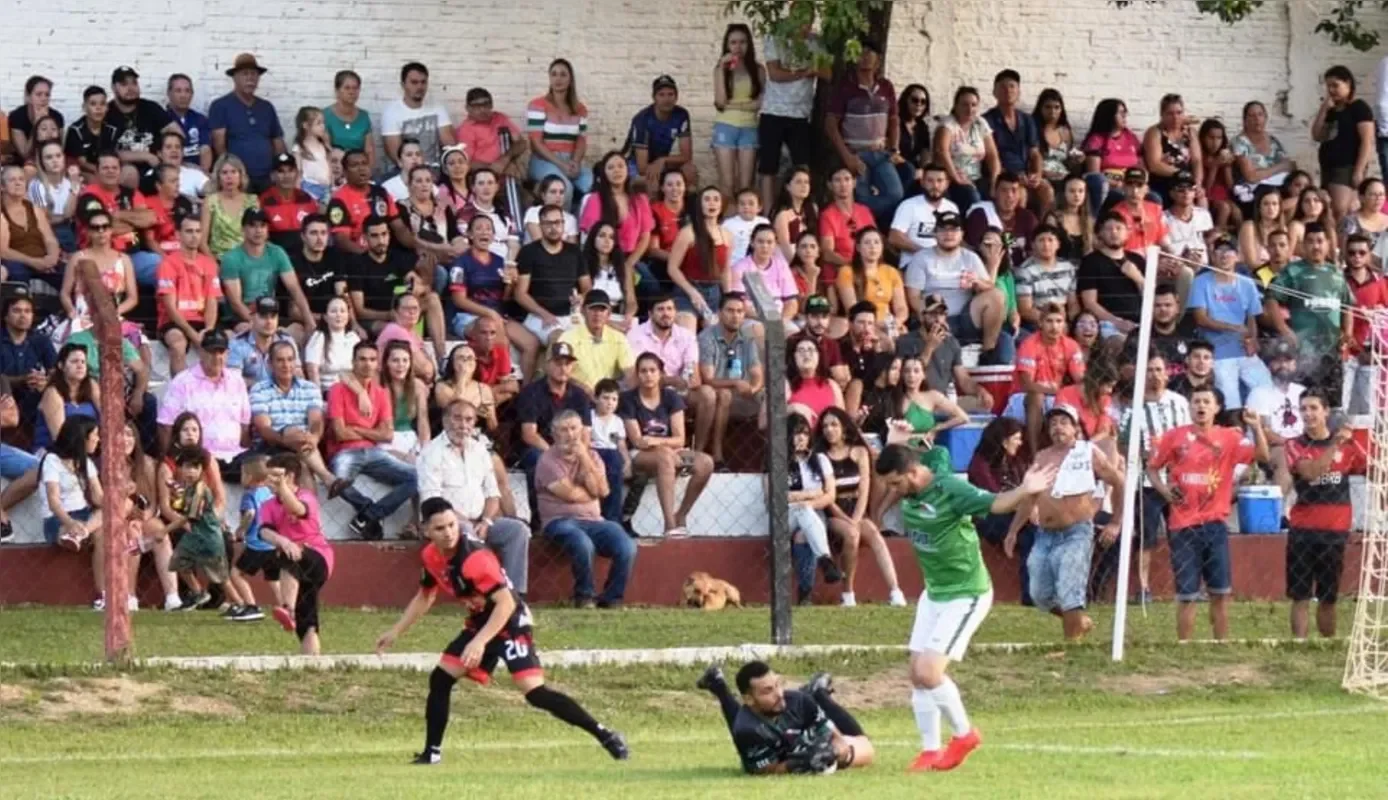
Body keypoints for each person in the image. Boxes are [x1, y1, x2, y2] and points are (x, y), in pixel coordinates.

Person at [375, 496, 628, 765]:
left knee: (535, 693)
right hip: (481, 622)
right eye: (440, 528)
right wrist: (396, 631)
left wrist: (480, 642)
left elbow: (506, 603)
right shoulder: (431, 557)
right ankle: (431, 753)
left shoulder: (475, 558)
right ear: (425, 530)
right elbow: (425, 596)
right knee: (441, 679)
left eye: (452, 525)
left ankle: (605, 735)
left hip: (510, 622)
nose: (449, 533)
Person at [874, 443, 1057, 772]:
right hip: (935, 593)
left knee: (930, 672)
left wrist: (1025, 490)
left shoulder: (951, 489)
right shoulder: (913, 480)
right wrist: (892, 438)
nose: (892, 491)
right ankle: (930, 750)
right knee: (916, 675)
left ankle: (964, 735)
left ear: (913, 474)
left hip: (966, 593)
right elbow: (913, 454)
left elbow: (995, 503)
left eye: (895, 484)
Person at [1147, 386, 1269, 641]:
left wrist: (1256, 427)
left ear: (1216, 408)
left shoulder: (1229, 438)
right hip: (1182, 526)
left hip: (1214, 524)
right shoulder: (1174, 437)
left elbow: (1262, 455)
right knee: (1186, 594)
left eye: (1206, 402)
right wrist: (1164, 492)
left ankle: (1221, 643)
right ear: (1189, 407)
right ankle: (1184, 645)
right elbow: (1152, 468)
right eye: (1196, 402)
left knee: (1220, 592)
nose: (1200, 406)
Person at [1012, 406, 1124, 640]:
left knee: (1070, 591)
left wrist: (1115, 521)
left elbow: (1119, 482)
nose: (1058, 427)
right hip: (1045, 533)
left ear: (1075, 428)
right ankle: (1078, 623)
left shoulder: (1088, 452)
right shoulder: (1042, 456)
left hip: (1076, 531)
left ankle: (1072, 645)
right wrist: (1013, 530)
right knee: (1039, 594)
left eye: (1064, 422)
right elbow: (1029, 496)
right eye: (1053, 423)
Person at [417, 399, 531, 591]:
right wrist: (468, 524)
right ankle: (480, 594)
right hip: (449, 523)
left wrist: (486, 522)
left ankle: (514, 594)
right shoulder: (430, 453)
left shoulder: (480, 450)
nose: (463, 425)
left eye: (469, 420)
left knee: (517, 530)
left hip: (482, 521)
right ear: (445, 421)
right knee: (466, 532)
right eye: (457, 418)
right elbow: (433, 501)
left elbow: (493, 494)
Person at [534, 410, 638, 608]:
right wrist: (592, 493)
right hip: (559, 522)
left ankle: (612, 599)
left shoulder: (593, 457)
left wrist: (585, 459)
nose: (570, 435)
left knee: (627, 545)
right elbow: (571, 495)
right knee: (582, 542)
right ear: (554, 434)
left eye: (574, 428)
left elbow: (604, 490)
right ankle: (585, 596)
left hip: (594, 520)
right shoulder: (547, 460)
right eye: (564, 430)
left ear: (582, 431)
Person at [696, 661, 874, 775]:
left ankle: (818, 693)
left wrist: (834, 753)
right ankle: (718, 684)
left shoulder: (797, 701)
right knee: (752, 722)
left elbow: (837, 738)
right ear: (748, 699)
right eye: (768, 691)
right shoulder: (746, 730)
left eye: (778, 685)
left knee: (866, 749)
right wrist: (801, 763)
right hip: (775, 743)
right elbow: (766, 770)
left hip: (802, 734)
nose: (779, 694)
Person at [1284, 389, 1365, 639]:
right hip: (1303, 531)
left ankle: (1327, 646)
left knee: (1329, 596)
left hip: (1335, 531)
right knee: (1300, 596)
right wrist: (1335, 445)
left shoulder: (1348, 447)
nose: (1308, 414)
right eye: (1303, 409)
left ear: (1326, 412)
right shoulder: (1294, 445)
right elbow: (1310, 473)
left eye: (1313, 408)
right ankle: (1300, 646)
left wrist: (1358, 442)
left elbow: (1372, 468)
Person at [1115, 352, 1190, 604]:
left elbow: (1191, 434)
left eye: (1158, 370)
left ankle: (1186, 586)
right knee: (1145, 536)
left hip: (1178, 479)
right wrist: (1145, 453)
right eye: (1149, 370)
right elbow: (1122, 446)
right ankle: (1143, 588)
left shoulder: (1179, 403)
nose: (1154, 375)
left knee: (1180, 534)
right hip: (1144, 482)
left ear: (1167, 374)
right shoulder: (1132, 409)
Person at [326, 341, 418, 540]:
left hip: (374, 452)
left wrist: (358, 429)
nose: (367, 364)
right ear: (353, 362)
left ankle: (370, 514)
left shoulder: (381, 393)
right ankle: (368, 509)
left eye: (372, 359)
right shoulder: (337, 390)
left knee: (417, 477)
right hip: (345, 452)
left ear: (378, 364)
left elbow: (387, 435)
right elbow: (340, 433)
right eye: (362, 359)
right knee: (339, 482)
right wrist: (371, 430)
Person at [817, 407, 904, 607]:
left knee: (874, 533)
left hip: (856, 508)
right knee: (852, 534)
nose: (829, 430)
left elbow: (864, 488)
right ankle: (848, 594)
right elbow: (828, 497)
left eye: (834, 425)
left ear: (844, 428)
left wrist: (856, 518)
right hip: (833, 512)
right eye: (825, 426)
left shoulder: (859, 452)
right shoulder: (821, 456)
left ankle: (895, 590)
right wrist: (849, 522)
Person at [620, 352, 713, 537]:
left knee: (705, 463)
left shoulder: (671, 397)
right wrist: (666, 448)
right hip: (638, 454)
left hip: (670, 451)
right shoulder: (628, 399)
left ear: (661, 374)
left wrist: (658, 442)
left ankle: (681, 515)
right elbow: (638, 440)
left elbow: (680, 438)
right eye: (643, 371)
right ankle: (669, 526)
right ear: (637, 375)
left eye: (653, 370)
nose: (648, 375)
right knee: (664, 458)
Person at [1264, 223, 1354, 406]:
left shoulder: (1336, 273)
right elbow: (1271, 298)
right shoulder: (1293, 271)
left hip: (1332, 351)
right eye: (1311, 242)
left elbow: (1348, 306)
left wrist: (1348, 331)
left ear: (1328, 244)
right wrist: (1283, 329)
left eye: (1320, 241)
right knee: (1303, 402)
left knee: (1333, 404)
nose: (1316, 246)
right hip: (1303, 352)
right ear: (1303, 245)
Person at [903, 210, 1010, 363]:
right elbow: (914, 298)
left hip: (966, 317)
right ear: (935, 233)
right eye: (943, 229)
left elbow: (989, 287)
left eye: (954, 229)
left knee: (997, 295)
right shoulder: (921, 258)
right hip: (934, 318)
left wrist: (978, 281)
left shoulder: (970, 257)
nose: (949, 234)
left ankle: (988, 353)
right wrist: (934, 318)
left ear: (962, 234)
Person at [258, 452, 334, 654]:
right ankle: (311, 657)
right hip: (294, 557)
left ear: (289, 477)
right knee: (307, 615)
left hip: (318, 557)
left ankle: (287, 609)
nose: (268, 481)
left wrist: (283, 489)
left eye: (274, 477)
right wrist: (281, 539)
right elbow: (264, 530)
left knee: (289, 554)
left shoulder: (306, 496)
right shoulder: (267, 505)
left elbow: (298, 509)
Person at [40, 417, 120, 608]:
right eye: (94, 436)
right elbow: (53, 501)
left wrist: (118, 497)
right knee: (71, 531)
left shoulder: (87, 463)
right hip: (58, 518)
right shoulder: (52, 460)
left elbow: (99, 498)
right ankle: (74, 534)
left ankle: (103, 595)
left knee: (103, 528)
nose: (98, 440)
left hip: (84, 515)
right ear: (81, 438)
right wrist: (69, 522)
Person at [824, 39, 900, 227]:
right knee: (862, 196)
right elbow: (830, 124)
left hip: (881, 153)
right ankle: (868, 230)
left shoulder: (886, 86)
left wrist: (895, 148)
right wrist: (847, 157)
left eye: (869, 52)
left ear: (878, 59)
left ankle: (867, 222)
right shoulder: (845, 87)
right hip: (857, 153)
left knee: (895, 194)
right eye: (860, 52)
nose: (865, 57)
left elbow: (894, 119)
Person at [1188, 239, 1270, 409]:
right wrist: (1233, 327)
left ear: (1237, 256)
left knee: (1265, 387)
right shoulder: (1201, 282)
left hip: (1243, 349)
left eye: (1229, 251)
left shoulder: (1247, 284)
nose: (1224, 255)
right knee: (1230, 399)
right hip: (1217, 352)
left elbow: (1252, 316)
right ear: (1212, 256)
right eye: (1219, 251)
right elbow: (1200, 318)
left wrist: (1252, 339)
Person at [690, 293, 764, 468]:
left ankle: (771, 459)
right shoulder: (706, 337)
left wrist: (753, 389)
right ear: (720, 313)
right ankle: (714, 454)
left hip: (740, 393)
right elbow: (707, 379)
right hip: (712, 391)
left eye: (740, 311)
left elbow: (757, 374)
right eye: (730, 310)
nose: (735, 315)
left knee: (769, 396)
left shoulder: (747, 339)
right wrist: (735, 384)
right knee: (723, 395)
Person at [966, 417, 1035, 605]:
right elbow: (994, 499)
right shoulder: (980, 465)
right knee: (1030, 535)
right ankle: (1030, 594)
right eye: (1017, 438)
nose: (1020, 443)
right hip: (989, 518)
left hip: (1014, 514)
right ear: (1004, 441)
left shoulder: (1015, 462)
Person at [167, 445, 242, 612]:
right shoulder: (189, 488)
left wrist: (163, 531)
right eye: (187, 466)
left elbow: (189, 516)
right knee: (178, 562)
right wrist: (175, 494)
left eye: (195, 467)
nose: (190, 471)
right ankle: (198, 592)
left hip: (209, 538)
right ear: (180, 468)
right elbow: (181, 505)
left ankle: (241, 604)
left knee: (220, 576)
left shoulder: (200, 490)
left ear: (202, 470)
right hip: (196, 536)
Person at [209, 54, 286, 192]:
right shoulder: (220, 106)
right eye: (245, 74)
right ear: (234, 77)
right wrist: (231, 175)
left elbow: (277, 141)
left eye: (254, 74)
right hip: (239, 180)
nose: (250, 78)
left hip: (267, 178)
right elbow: (219, 146)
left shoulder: (267, 107)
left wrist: (281, 168)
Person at [156, 214, 222, 375]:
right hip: (173, 322)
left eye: (198, 231)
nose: (194, 236)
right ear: (178, 234)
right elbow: (170, 307)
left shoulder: (209, 263)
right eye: (189, 231)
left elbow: (212, 301)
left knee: (224, 341)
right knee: (178, 342)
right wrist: (192, 334)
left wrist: (208, 330)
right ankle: (179, 394)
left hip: (201, 321)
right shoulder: (168, 263)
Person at [1312, 65, 1376, 219]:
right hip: (1328, 166)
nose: (1331, 90)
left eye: (1335, 85)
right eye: (1329, 86)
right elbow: (1317, 135)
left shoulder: (1359, 108)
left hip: (1347, 166)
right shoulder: (1332, 110)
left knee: (1340, 209)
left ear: (1348, 83)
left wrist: (1359, 170)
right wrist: (1323, 110)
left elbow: (1367, 141)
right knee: (1330, 210)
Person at [527, 59, 593, 202]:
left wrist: (575, 161)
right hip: (544, 160)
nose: (558, 79)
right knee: (564, 189)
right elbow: (536, 143)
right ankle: (561, 223)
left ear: (570, 79)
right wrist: (561, 164)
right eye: (554, 74)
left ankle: (581, 222)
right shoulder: (537, 105)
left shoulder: (579, 109)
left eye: (563, 75)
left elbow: (581, 140)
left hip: (571, 160)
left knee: (591, 185)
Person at [666, 185, 732, 329]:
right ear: (700, 204)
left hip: (714, 292)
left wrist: (728, 298)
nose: (712, 203)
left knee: (714, 334)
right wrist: (692, 292)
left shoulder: (727, 234)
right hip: (688, 291)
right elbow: (672, 268)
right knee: (687, 330)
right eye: (707, 199)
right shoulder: (687, 232)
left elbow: (726, 271)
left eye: (716, 199)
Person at [225, 453, 280, 622]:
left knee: (236, 574)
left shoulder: (250, 494)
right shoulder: (271, 493)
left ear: (249, 476)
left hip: (257, 544)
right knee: (273, 578)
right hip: (273, 544)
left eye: (242, 474)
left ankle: (251, 606)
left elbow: (250, 513)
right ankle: (288, 606)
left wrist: (240, 530)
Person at [984, 70, 1049, 211]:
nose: (1008, 90)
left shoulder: (1027, 119)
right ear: (994, 92)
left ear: (1018, 91)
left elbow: (1035, 153)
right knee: (1020, 195)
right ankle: (1017, 231)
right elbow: (991, 157)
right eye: (1002, 87)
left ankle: (1042, 230)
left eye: (1012, 86)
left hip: (1025, 174)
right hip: (1003, 174)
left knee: (1047, 190)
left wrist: (1037, 174)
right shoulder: (986, 120)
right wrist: (1012, 175)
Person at [711, 25, 764, 197]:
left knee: (746, 184)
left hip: (749, 127)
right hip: (725, 126)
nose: (738, 47)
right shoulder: (721, 69)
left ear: (749, 44)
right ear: (727, 45)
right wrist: (721, 68)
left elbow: (759, 103)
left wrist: (732, 105)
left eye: (742, 42)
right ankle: (726, 221)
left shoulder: (758, 70)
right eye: (733, 42)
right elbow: (720, 101)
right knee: (727, 183)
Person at [1078, 213, 1144, 340]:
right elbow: (1090, 303)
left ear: (1127, 232)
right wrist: (1117, 322)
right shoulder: (1090, 261)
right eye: (1109, 229)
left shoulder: (1137, 259)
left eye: (1119, 228)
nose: (1114, 232)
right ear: (1100, 234)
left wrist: (1139, 278)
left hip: (1140, 322)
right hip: (1107, 324)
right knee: (1118, 342)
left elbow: (1153, 297)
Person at [380, 62, 455, 171]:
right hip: (404, 172)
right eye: (414, 82)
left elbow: (449, 145)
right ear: (403, 85)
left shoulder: (438, 108)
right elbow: (395, 155)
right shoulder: (392, 113)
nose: (420, 87)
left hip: (436, 170)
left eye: (423, 82)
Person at [933, 86, 998, 211]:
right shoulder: (948, 124)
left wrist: (995, 181)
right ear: (956, 106)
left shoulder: (980, 123)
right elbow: (942, 152)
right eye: (965, 105)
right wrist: (957, 178)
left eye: (973, 105)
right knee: (973, 198)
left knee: (998, 195)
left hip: (977, 177)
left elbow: (993, 155)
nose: (969, 109)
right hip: (952, 178)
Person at [628, 75, 696, 189]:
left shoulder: (681, 114)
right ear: (654, 97)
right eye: (661, 95)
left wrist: (663, 160)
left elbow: (686, 156)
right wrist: (660, 165)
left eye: (670, 94)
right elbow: (642, 167)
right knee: (652, 182)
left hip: (662, 162)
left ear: (676, 97)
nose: (667, 99)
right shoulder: (642, 119)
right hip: (636, 167)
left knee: (690, 170)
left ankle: (684, 205)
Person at [2, 164, 63, 289]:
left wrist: (52, 258)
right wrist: (34, 262)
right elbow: (3, 251)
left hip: (42, 259)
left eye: (21, 179)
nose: (18, 183)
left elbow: (50, 239)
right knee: (18, 272)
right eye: (12, 180)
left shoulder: (34, 209)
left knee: (68, 272)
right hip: (18, 262)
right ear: (2, 186)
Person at [34, 343, 100, 454]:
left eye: (83, 362)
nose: (80, 365)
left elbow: (108, 416)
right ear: (61, 365)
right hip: (53, 453)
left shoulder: (91, 385)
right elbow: (60, 438)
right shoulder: (52, 393)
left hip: (89, 449)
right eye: (74, 361)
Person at [626, 295, 700, 390]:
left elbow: (694, 377)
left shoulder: (687, 336)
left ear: (675, 312)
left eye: (670, 309)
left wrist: (684, 382)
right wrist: (669, 380)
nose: (666, 314)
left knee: (706, 393)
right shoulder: (635, 335)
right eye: (660, 309)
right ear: (650, 314)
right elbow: (636, 376)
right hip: (647, 389)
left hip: (679, 390)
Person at [890, 164, 959, 264]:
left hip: (945, 264)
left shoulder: (951, 207)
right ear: (922, 182)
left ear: (947, 184)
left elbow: (956, 236)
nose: (935, 185)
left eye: (940, 181)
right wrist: (925, 253)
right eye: (930, 181)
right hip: (914, 263)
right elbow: (894, 237)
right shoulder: (908, 205)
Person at [817, 166, 876, 272]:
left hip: (868, 268)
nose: (843, 184)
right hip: (843, 270)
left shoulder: (864, 211)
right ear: (830, 185)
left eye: (847, 179)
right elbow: (827, 253)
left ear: (854, 183)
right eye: (837, 180)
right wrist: (852, 266)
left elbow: (877, 241)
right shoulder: (827, 215)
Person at [259, 153, 319, 251]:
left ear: (297, 174)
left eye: (290, 171)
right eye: (281, 171)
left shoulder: (307, 199)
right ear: (272, 176)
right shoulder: (263, 201)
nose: (286, 176)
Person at [323, 70, 376, 175]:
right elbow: (326, 151)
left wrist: (366, 174)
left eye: (355, 88)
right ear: (337, 91)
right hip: (334, 172)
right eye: (347, 88)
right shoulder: (326, 116)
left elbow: (369, 151)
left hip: (358, 171)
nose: (352, 92)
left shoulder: (364, 116)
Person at [303, 296, 359, 391]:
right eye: (333, 311)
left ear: (348, 316)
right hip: (328, 391)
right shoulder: (318, 337)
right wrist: (318, 398)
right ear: (325, 317)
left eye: (342, 311)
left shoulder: (353, 338)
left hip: (352, 390)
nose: (338, 315)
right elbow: (312, 370)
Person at [63, 87, 120, 177]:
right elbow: (82, 163)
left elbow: (112, 157)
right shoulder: (75, 130)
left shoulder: (112, 130)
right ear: (84, 107)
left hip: (106, 169)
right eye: (93, 104)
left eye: (102, 104)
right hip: (81, 171)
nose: (98, 108)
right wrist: (102, 172)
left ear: (107, 108)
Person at [8, 76, 64, 164]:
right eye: (39, 94)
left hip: (50, 160)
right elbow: (24, 154)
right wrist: (37, 124)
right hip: (24, 163)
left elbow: (59, 148)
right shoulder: (17, 116)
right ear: (28, 96)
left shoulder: (57, 117)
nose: (44, 98)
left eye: (47, 95)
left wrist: (47, 124)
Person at [290, 108, 332, 205]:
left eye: (323, 123)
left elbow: (329, 167)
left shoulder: (324, 145)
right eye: (318, 123)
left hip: (326, 188)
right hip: (309, 188)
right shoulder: (300, 148)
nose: (323, 126)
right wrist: (297, 193)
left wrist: (331, 184)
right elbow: (298, 172)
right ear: (305, 125)